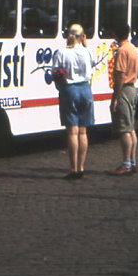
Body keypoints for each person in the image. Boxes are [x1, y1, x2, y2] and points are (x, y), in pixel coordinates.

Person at [52, 23, 94, 180]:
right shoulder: (88, 52)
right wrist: (86, 45)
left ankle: (73, 168)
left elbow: (54, 73)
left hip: (69, 90)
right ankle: (82, 167)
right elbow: (93, 63)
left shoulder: (62, 53)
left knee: (72, 132)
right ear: (82, 36)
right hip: (85, 89)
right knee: (83, 131)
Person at [109, 24, 138, 175]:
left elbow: (120, 75)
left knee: (124, 130)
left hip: (124, 90)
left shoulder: (121, 51)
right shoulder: (133, 48)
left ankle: (126, 164)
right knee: (131, 128)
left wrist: (115, 97)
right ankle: (132, 162)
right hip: (132, 88)